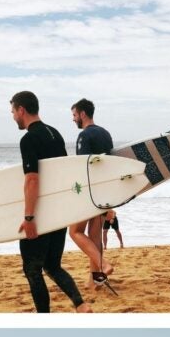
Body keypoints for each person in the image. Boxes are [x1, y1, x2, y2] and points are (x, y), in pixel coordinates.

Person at [10, 91, 90, 313]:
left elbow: (32, 179)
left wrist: (29, 218)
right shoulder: (54, 134)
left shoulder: (28, 139)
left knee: (32, 270)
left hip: (41, 215)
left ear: (21, 110)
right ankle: (81, 305)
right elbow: (63, 174)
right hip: (59, 212)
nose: (13, 116)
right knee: (52, 265)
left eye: (13, 111)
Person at [69, 98, 115, 289]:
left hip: (90, 192)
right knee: (94, 237)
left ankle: (103, 265)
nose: (73, 120)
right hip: (104, 191)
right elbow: (111, 166)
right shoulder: (106, 134)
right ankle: (95, 280)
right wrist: (110, 202)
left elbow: (84, 167)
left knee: (75, 232)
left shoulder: (84, 136)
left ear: (82, 114)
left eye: (74, 115)